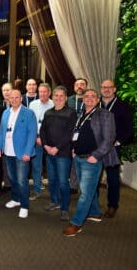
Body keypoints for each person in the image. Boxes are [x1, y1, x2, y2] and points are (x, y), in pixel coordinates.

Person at [63, 89, 119, 237]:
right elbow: (77, 134)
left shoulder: (105, 114)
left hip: (92, 159)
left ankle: (76, 223)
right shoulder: (81, 115)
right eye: (86, 96)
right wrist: (74, 149)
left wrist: (97, 155)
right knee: (89, 189)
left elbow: (109, 139)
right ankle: (94, 213)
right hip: (79, 157)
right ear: (83, 99)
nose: (89, 98)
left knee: (85, 193)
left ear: (97, 99)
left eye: (92, 96)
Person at [0, 89, 37, 219]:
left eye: (16, 97)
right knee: (12, 178)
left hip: (21, 153)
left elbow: (32, 134)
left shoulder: (29, 113)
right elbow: (2, 131)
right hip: (8, 152)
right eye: (11, 98)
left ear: (21, 98)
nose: (13, 100)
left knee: (22, 180)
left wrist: (28, 152)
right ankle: (16, 199)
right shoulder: (5, 112)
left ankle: (24, 206)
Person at [40, 86, 77, 221]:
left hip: (63, 153)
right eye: (56, 95)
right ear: (53, 97)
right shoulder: (48, 112)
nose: (59, 98)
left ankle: (64, 208)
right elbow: (42, 131)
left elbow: (70, 134)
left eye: (62, 96)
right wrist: (45, 146)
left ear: (66, 98)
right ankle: (54, 201)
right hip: (49, 152)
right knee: (52, 180)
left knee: (62, 182)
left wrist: (57, 148)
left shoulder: (71, 113)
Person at [99, 79, 133, 218]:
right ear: (101, 89)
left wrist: (118, 142)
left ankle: (113, 205)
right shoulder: (95, 103)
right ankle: (93, 204)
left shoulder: (122, 106)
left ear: (114, 89)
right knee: (94, 177)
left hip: (113, 148)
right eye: (104, 87)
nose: (106, 89)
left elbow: (128, 128)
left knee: (112, 178)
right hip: (96, 147)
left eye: (109, 87)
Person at [28, 83, 54, 200]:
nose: (43, 94)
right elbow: (31, 122)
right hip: (36, 139)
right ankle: (37, 190)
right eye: (41, 92)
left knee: (51, 166)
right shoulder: (33, 104)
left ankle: (53, 191)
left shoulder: (54, 104)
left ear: (49, 93)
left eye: (45, 91)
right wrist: (36, 137)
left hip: (50, 140)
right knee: (36, 166)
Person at [67, 78, 88, 195]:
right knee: (73, 160)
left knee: (84, 160)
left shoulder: (90, 99)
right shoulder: (69, 100)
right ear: (74, 87)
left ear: (86, 86)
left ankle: (84, 186)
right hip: (70, 134)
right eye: (77, 84)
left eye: (82, 84)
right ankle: (73, 185)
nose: (80, 86)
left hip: (85, 135)